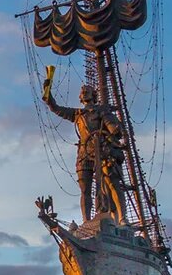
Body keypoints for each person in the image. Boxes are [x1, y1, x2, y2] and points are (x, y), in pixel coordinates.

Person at [41, 65, 126, 222]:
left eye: (87, 90)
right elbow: (57, 109)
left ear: (93, 95)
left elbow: (115, 129)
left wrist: (113, 129)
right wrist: (48, 96)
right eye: (82, 91)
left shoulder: (101, 111)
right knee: (85, 189)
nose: (83, 92)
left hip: (103, 152)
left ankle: (122, 219)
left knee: (112, 183)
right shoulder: (77, 114)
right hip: (84, 153)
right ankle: (86, 222)